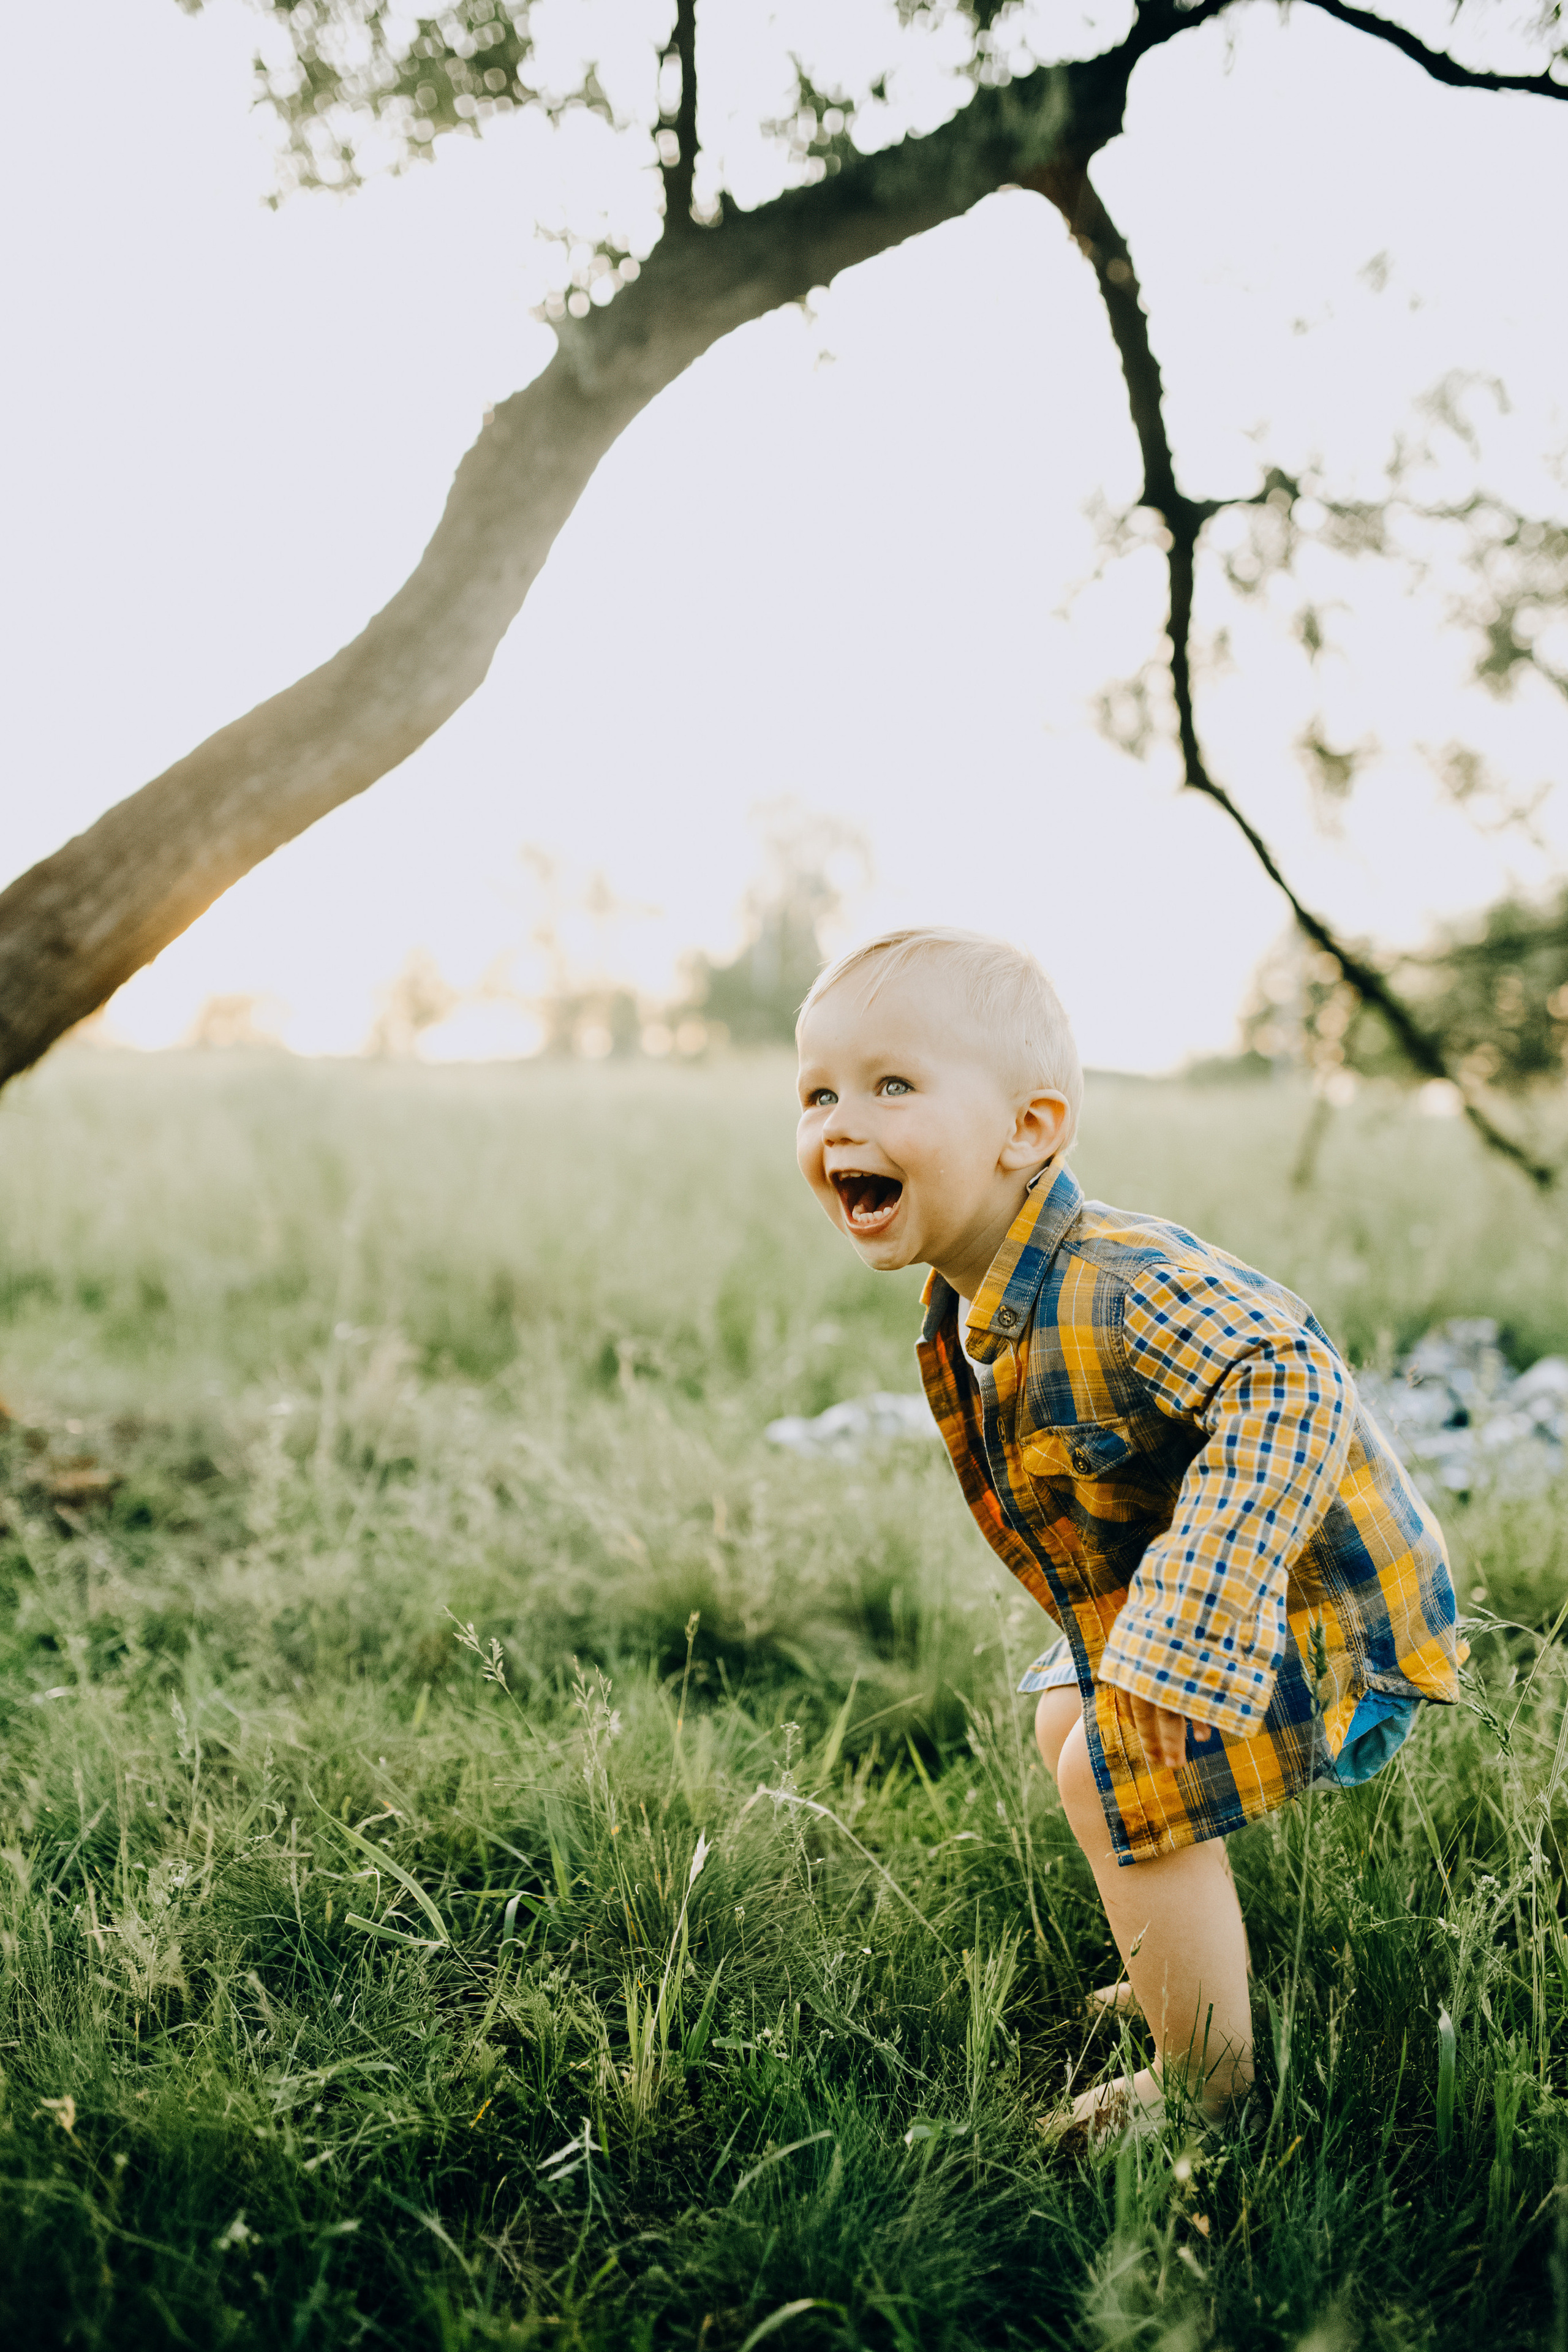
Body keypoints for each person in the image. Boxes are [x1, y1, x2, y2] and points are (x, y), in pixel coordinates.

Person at [793, 926, 1461, 2135]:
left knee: (1111, 1768)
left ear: (1027, 1130)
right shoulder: (976, 1300)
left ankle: (1205, 2088)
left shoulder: (1121, 1277)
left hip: (1323, 1611)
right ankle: (1178, 1970)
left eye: (891, 1085)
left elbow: (1290, 1379)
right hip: (1208, 1603)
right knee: (1070, 1719)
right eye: (817, 1092)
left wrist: (1186, 1614)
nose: (838, 1122)